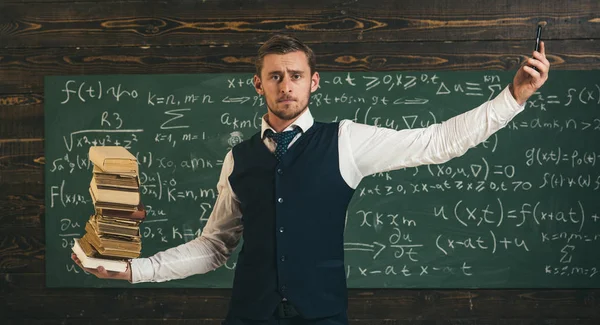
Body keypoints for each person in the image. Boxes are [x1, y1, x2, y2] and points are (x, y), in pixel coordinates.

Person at [72, 34, 550, 325]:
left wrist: (514, 95)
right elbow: (214, 248)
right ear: (258, 83)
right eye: (275, 76)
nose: (286, 85)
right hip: (249, 315)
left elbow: (438, 141)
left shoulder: (346, 141)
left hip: (321, 316)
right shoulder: (238, 159)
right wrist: (133, 269)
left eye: (296, 75)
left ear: (313, 82)